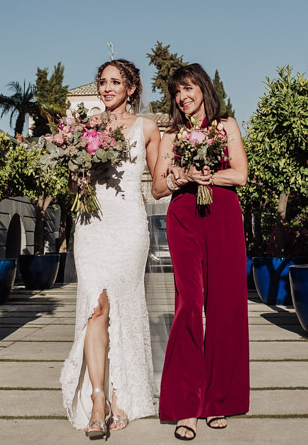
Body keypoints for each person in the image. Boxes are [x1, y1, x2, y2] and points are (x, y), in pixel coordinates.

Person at [60, 59, 162, 439]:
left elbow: (158, 185)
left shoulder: (147, 128)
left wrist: (188, 173)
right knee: (95, 307)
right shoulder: (85, 126)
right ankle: (98, 399)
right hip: (91, 225)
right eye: (102, 81)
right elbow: (74, 187)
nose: (106, 88)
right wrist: (75, 170)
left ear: (130, 88)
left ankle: (123, 395)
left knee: (124, 306)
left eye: (115, 82)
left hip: (129, 226)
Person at [152, 63, 249, 441]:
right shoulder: (171, 135)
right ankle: (186, 405)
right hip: (184, 219)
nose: (182, 97)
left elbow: (240, 174)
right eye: (177, 92)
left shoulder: (226, 125)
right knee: (189, 304)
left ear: (203, 88)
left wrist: (207, 176)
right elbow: (157, 188)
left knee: (224, 306)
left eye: (188, 88)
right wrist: (182, 178)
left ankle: (218, 400)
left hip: (223, 216)